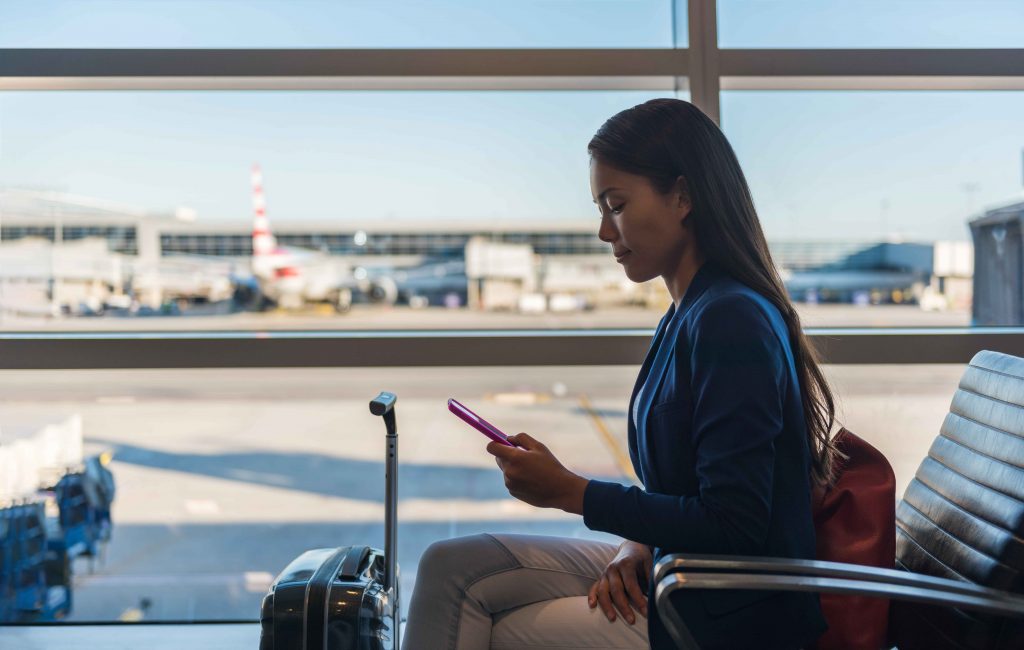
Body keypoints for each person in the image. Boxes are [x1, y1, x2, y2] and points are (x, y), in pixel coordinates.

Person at [403, 98, 839, 649]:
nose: (604, 231)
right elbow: (684, 488)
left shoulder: (731, 319)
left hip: (728, 614)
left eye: (616, 205)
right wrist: (634, 541)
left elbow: (735, 524)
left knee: (492, 624)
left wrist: (573, 493)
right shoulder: (686, 314)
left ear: (682, 196)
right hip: (679, 571)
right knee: (451, 566)